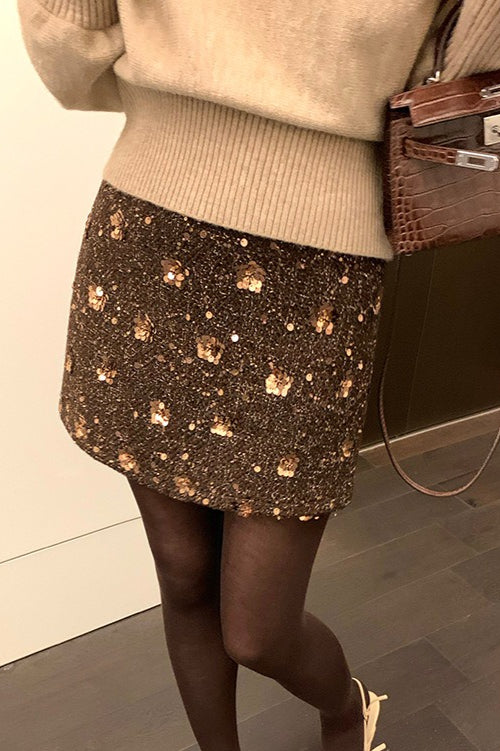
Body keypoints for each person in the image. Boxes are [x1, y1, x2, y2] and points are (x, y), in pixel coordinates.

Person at [16, 1, 500, 749]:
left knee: (258, 627)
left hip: (319, 271)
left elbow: (466, 78)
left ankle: (347, 707)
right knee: (183, 573)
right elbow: (66, 48)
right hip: (148, 236)